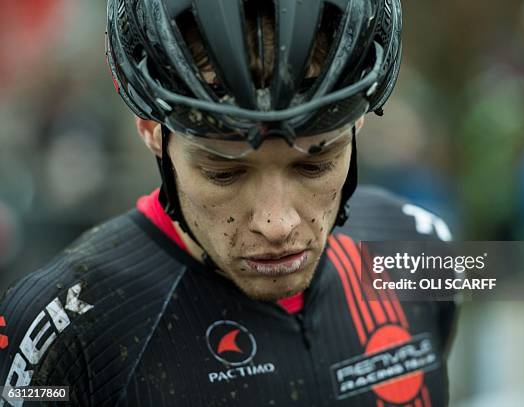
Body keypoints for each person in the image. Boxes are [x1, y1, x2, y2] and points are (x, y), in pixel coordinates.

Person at [0, 0, 457, 406]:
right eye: (224, 172)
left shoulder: (421, 246)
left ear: (357, 127)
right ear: (150, 130)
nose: (276, 223)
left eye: (314, 165)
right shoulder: (64, 329)